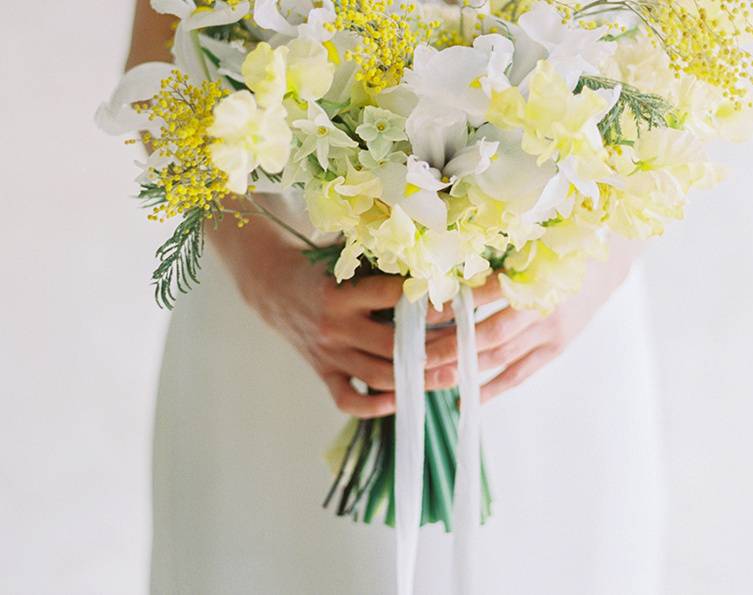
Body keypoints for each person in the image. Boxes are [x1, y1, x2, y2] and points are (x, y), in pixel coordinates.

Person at [129, 1, 665, 592]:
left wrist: (596, 269)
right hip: (278, 304)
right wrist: (259, 266)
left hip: (546, 308)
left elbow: (691, 76)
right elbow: (157, 61)